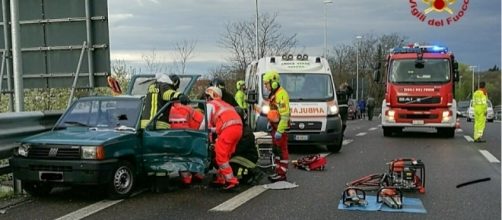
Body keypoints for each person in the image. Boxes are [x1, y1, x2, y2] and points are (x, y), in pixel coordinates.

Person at [205, 86, 243, 190]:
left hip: (228, 130)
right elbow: (220, 125)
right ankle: (221, 178)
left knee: (220, 156)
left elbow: (204, 125)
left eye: (207, 96)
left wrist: (207, 138)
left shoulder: (210, 105)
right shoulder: (226, 105)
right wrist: (211, 130)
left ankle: (231, 181)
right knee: (225, 156)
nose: (206, 99)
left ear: (212, 95)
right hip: (237, 129)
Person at [263, 70, 290, 182]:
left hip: (280, 128)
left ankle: (282, 173)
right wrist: (270, 123)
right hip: (275, 127)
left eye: (266, 83)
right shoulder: (274, 94)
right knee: (276, 150)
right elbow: (273, 112)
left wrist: (280, 130)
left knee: (281, 150)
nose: (265, 86)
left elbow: (284, 115)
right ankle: (278, 171)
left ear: (273, 82)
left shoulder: (281, 95)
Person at [229, 107, 263, 185]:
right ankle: (241, 175)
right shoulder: (239, 128)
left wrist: (226, 152)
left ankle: (253, 172)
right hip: (242, 154)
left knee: (227, 163)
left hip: (248, 157)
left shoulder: (246, 133)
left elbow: (239, 149)